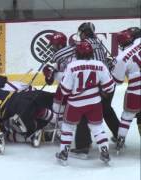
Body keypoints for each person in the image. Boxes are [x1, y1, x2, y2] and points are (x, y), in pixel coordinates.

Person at [55, 41, 115, 165]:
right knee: (97, 128)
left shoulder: (71, 66)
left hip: (75, 104)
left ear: (77, 53)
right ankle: (104, 151)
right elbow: (110, 87)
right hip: (94, 102)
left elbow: (65, 90)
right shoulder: (100, 65)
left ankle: (63, 154)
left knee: (67, 128)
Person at [68, 22, 120, 158]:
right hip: (109, 84)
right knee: (107, 111)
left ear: (84, 32)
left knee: (84, 113)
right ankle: (120, 136)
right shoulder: (98, 42)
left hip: (98, 87)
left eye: (81, 32)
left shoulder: (84, 45)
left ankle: (83, 147)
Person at [111, 29, 141, 154]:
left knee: (127, 116)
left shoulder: (121, 57)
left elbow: (118, 81)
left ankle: (120, 141)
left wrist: (112, 67)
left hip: (135, 91)